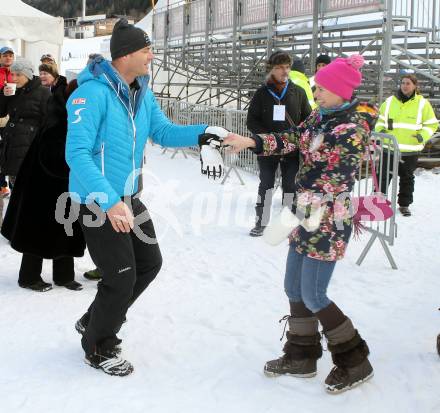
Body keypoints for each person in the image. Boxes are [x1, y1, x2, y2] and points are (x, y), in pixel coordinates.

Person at [66, 19, 226, 376]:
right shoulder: (89, 93)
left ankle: (93, 320)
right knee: (120, 275)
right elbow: (77, 154)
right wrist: (110, 202)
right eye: (146, 50)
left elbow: (164, 132)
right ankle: (97, 344)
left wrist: (205, 133)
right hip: (99, 201)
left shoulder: (142, 92)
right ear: (124, 55)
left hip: (129, 197)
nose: (151, 56)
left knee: (149, 263)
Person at [225, 54, 377, 394]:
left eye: (322, 88)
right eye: (316, 87)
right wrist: (251, 141)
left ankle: (354, 360)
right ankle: (301, 354)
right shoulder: (320, 116)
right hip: (305, 213)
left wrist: (302, 204)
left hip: (328, 219)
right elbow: (292, 139)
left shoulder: (350, 130)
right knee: (293, 288)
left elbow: (338, 178)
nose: (316, 92)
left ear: (340, 90)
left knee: (314, 293)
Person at [1, 60, 85, 292]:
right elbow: (52, 154)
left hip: (60, 183)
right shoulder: (60, 117)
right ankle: (28, 277)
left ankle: (64, 276)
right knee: (36, 230)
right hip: (40, 183)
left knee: (65, 227)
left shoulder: (68, 113)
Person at [247, 51, 311, 236]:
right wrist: (269, 139)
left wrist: (299, 138)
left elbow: (307, 120)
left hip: (291, 150)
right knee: (266, 184)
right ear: (271, 70)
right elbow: (251, 121)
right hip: (268, 149)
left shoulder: (297, 92)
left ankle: (289, 223)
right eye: (279, 67)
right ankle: (261, 223)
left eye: (287, 67)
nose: (284, 71)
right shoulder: (261, 93)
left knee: (290, 186)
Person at [375, 74, 439, 216]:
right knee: (383, 176)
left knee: (407, 178)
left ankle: (404, 205)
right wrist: (381, 131)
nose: (405, 85)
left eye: (408, 83)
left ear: (415, 86)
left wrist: (422, 135)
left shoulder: (422, 103)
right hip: (389, 147)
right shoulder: (390, 101)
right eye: (403, 82)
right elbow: (379, 120)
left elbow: (432, 124)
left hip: (410, 149)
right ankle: (378, 203)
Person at [0, 59, 50, 188]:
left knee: (26, 190)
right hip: (11, 146)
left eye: (18, 74)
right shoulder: (14, 90)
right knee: (14, 188)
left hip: (29, 148)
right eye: (13, 74)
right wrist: (4, 95)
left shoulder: (43, 92)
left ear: (27, 74)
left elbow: (48, 121)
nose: (14, 78)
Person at [0, 46, 15, 197]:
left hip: (12, 117)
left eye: (10, 55)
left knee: (11, 150)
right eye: (5, 55)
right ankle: (2, 185)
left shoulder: (16, 73)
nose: (8, 58)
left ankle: (12, 184)